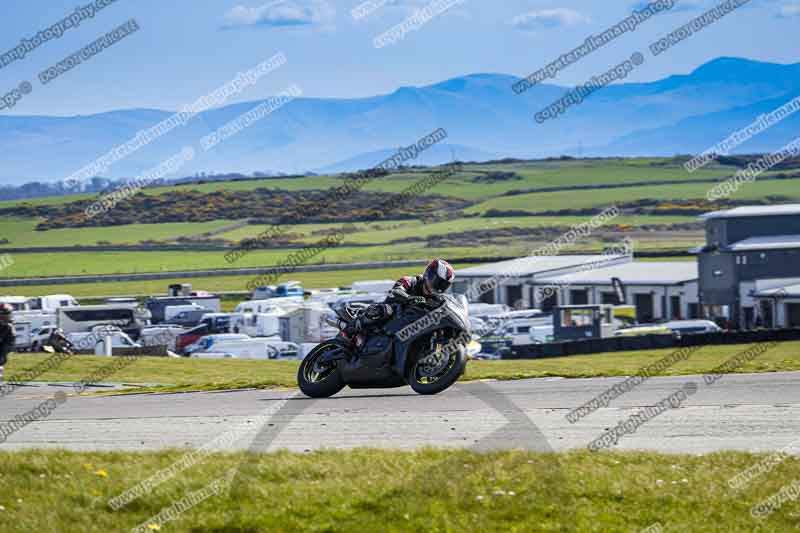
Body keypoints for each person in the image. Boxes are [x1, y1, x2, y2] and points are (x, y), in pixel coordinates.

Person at [349, 258, 455, 334]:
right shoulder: (409, 281)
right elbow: (396, 291)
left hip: (410, 327)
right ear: (429, 274)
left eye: (443, 285)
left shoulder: (437, 299)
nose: (438, 287)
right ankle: (352, 327)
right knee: (385, 309)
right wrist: (408, 298)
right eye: (438, 282)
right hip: (393, 315)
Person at [0, 303, 15, 384]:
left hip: (6, 344)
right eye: (4, 314)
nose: (6, 316)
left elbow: (10, 340)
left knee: (1, 359)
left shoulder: (9, 325)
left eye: (7, 314)